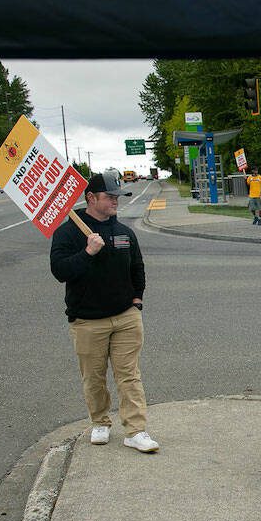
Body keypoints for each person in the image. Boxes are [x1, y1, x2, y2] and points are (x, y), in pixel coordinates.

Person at [49, 174, 159, 453]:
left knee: (129, 375)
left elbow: (137, 267)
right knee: (93, 377)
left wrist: (137, 300)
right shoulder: (68, 233)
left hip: (125, 317)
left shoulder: (124, 232)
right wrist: (88, 252)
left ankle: (136, 430)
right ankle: (100, 422)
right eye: (109, 197)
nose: (115, 201)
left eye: (117, 197)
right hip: (87, 320)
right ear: (91, 198)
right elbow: (59, 271)